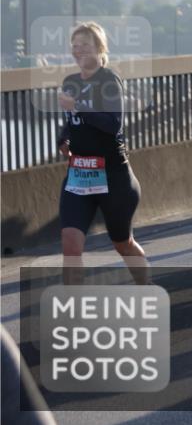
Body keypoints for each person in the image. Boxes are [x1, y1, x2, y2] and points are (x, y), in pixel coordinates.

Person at [57, 22, 148, 283]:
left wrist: (78, 105)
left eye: (85, 45)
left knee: (123, 243)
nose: (78, 50)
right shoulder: (70, 82)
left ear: (99, 48)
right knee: (71, 248)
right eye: (74, 46)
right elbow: (72, 122)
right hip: (79, 175)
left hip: (114, 177)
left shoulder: (108, 80)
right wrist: (64, 138)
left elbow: (112, 124)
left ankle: (146, 287)